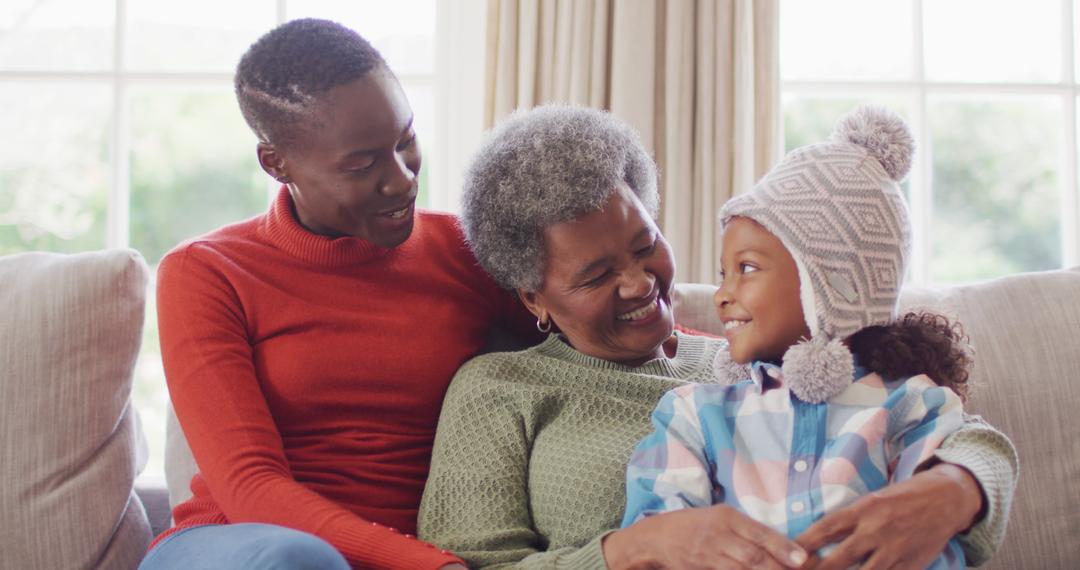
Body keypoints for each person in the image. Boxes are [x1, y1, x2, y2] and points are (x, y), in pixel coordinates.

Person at [417, 104, 1018, 569]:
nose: (638, 282)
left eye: (645, 244)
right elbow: (466, 563)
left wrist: (956, 488)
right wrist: (636, 548)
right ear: (533, 298)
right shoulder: (500, 389)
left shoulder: (749, 357)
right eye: (597, 275)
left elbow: (949, 428)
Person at [140, 19, 535, 570]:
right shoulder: (207, 272)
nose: (401, 180)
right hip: (240, 546)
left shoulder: (464, 251)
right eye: (362, 164)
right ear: (277, 163)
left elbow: (608, 323)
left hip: (413, 550)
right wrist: (432, 565)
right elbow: (250, 486)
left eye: (406, 141)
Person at [622, 106, 989, 569]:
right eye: (723, 273)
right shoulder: (695, 413)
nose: (722, 295)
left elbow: (936, 544)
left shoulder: (914, 406)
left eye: (747, 269)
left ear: (829, 285)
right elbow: (658, 537)